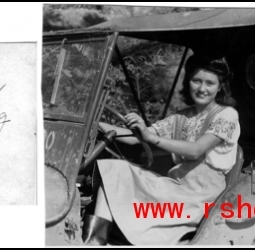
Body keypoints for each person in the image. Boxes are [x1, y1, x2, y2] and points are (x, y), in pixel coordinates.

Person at [82, 54, 241, 246]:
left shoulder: (227, 115)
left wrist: (151, 137)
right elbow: (137, 137)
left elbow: (196, 150)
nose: (202, 88)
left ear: (220, 86)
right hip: (175, 186)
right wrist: (92, 123)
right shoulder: (182, 117)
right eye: (196, 81)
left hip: (201, 198)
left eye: (209, 83)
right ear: (188, 81)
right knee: (115, 171)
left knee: (119, 175)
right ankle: (94, 241)